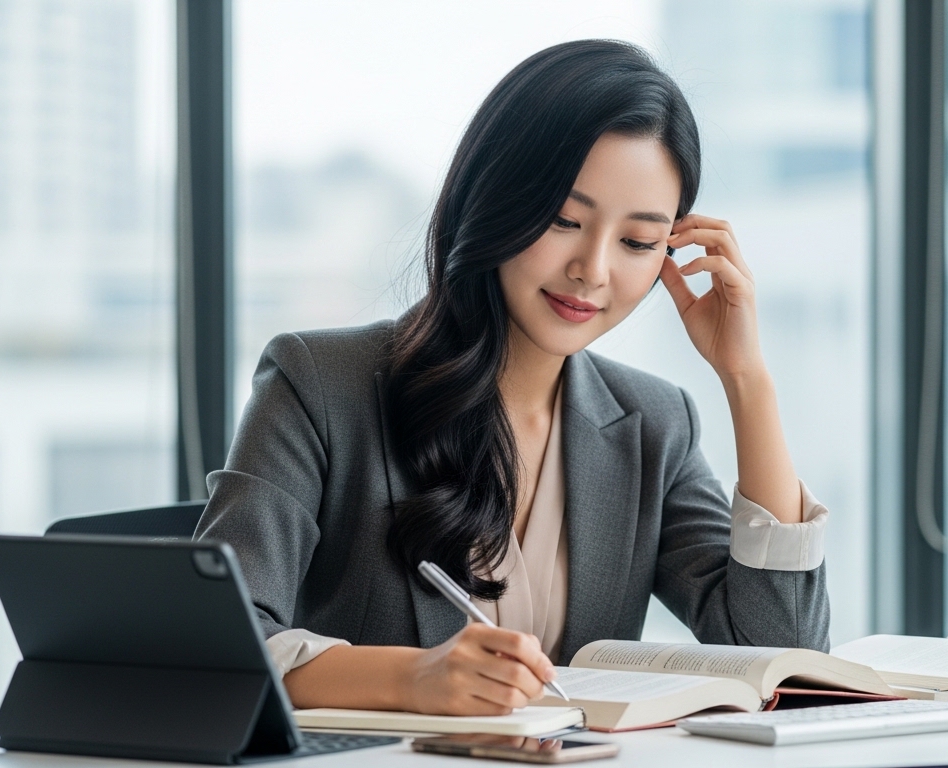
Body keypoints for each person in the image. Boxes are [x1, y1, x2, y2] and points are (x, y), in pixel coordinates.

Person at [197, 39, 831, 717]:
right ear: (493, 198)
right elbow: (214, 642)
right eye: (564, 220)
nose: (592, 269)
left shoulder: (654, 424)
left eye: (637, 242)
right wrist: (411, 679)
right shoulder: (318, 387)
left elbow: (783, 653)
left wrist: (746, 379)